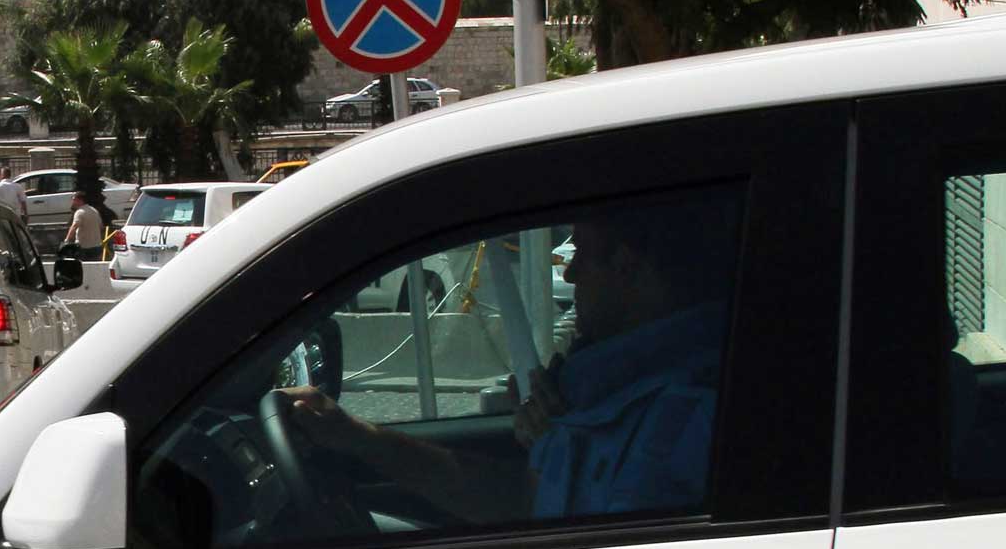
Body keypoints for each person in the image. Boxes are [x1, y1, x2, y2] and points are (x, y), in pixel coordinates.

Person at [280, 201, 731, 523]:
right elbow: (529, 502)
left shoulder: (691, 411)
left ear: (628, 265)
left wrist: (557, 447)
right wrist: (552, 447)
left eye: (583, 256)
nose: (570, 274)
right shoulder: (618, 397)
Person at [67, 192, 104, 258]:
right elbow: (101, 227)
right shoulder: (94, 210)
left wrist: (67, 240)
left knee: (82, 267)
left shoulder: (80, 212)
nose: (72, 202)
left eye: (74, 199)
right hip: (97, 246)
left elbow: (74, 226)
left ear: (80, 200)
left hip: (83, 247)